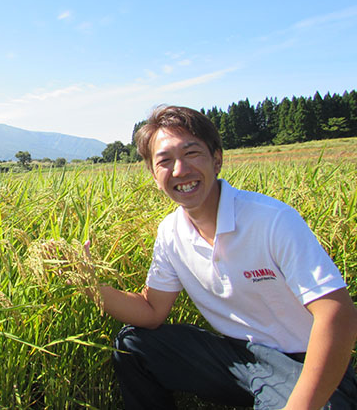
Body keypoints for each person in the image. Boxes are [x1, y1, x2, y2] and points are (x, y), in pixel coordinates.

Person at [87, 105, 357, 409]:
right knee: (133, 345)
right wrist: (89, 283)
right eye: (165, 161)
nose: (179, 170)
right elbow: (151, 311)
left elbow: (338, 314)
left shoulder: (271, 220)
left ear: (217, 160)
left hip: (301, 363)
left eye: (191, 154)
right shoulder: (171, 232)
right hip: (237, 358)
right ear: (153, 174)